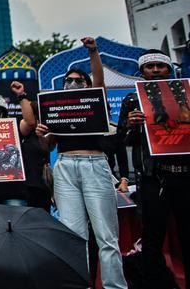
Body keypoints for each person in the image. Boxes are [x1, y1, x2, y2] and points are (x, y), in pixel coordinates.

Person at [41, 37, 127, 289]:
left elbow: (99, 82)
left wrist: (93, 52)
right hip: (66, 167)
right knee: (74, 235)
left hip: (94, 164)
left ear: (88, 85)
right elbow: (48, 146)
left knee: (106, 237)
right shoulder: (56, 107)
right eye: (69, 80)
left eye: (80, 80)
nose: (73, 83)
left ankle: (114, 287)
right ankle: (80, 285)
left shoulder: (95, 102)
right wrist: (41, 134)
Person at [118, 50, 188, 288]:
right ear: (142, 72)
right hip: (153, 178)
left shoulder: (186, 95)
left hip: (185, 175)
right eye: (150, 67)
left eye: (161, 66)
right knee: (152, 238)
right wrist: (131, 125)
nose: (156, 70)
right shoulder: (132, 100)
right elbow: (122, 140)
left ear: (169, 69)